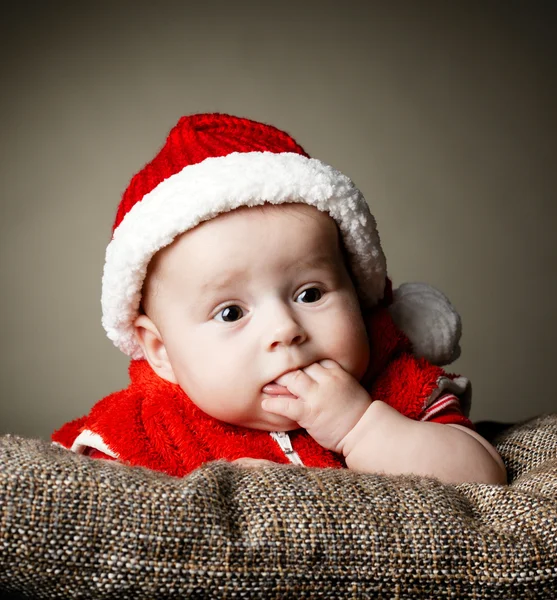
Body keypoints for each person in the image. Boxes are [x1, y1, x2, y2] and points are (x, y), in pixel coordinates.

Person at [52, 113, 506, 484]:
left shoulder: (396, 387)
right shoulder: (148, 429)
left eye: (310, 293)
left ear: (357, 293)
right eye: (231, 312)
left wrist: (361, 426)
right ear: (161, 351)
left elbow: (482, 478)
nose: (285, 329)